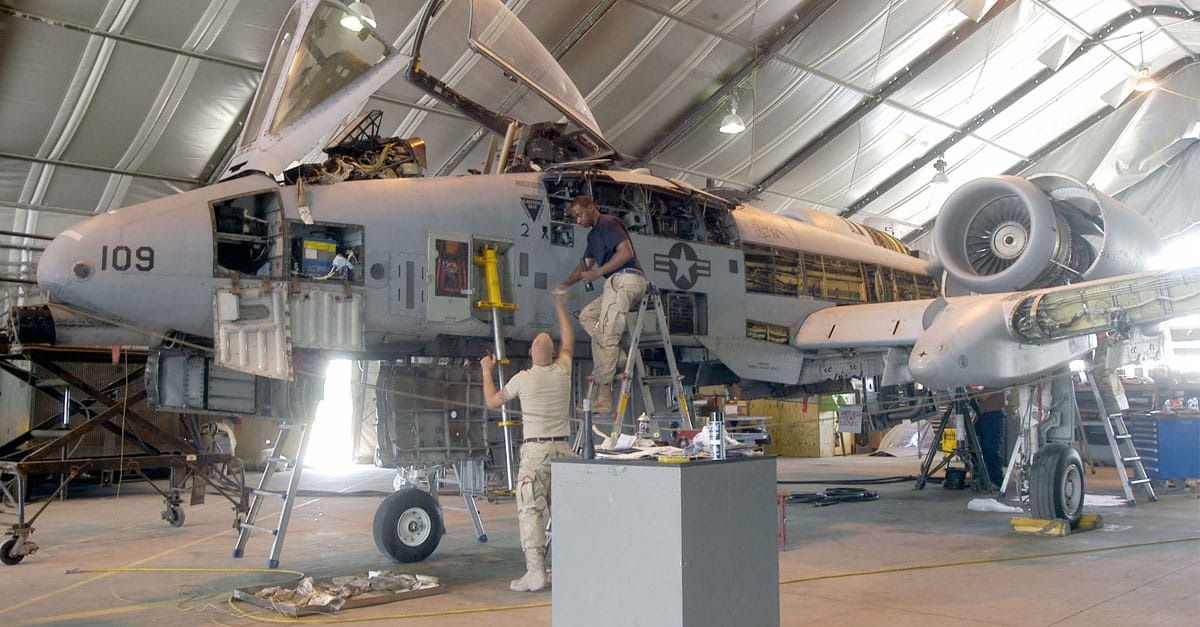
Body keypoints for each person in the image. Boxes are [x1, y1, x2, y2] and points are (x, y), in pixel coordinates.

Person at [481, 287, 576, 592]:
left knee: (530, 512)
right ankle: (567, 569)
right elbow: (569, 342)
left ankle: (536, 573)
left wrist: (486, 371)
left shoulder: (522, 379)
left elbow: (493, 401)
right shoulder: (563, 371)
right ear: (553, 354)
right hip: (563, 450)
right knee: (564, 513)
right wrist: (560, 307)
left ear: (532, 355)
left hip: (536, 452)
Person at [555, 194, 647, 415]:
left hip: (626, 279)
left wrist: (598, 272)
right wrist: (565, 283)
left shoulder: (608, 223)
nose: (578, 221)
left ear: (591, 207)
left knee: (606, 337)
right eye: (575, 218)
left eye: (580, 215)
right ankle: (619, 359)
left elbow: (626, 252)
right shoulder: (593, 236)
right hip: (614, 284)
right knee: (587, 316)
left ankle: (604, 399)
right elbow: (584, 266)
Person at [973, 389, 1007, 488]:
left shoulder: (993, 383)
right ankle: (985, 477)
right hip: (984, 416)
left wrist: (970, 390)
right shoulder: (985, 384)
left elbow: (985, 396)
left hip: (993, 416)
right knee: (978, 447)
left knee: (990, 448)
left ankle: (996, 480)